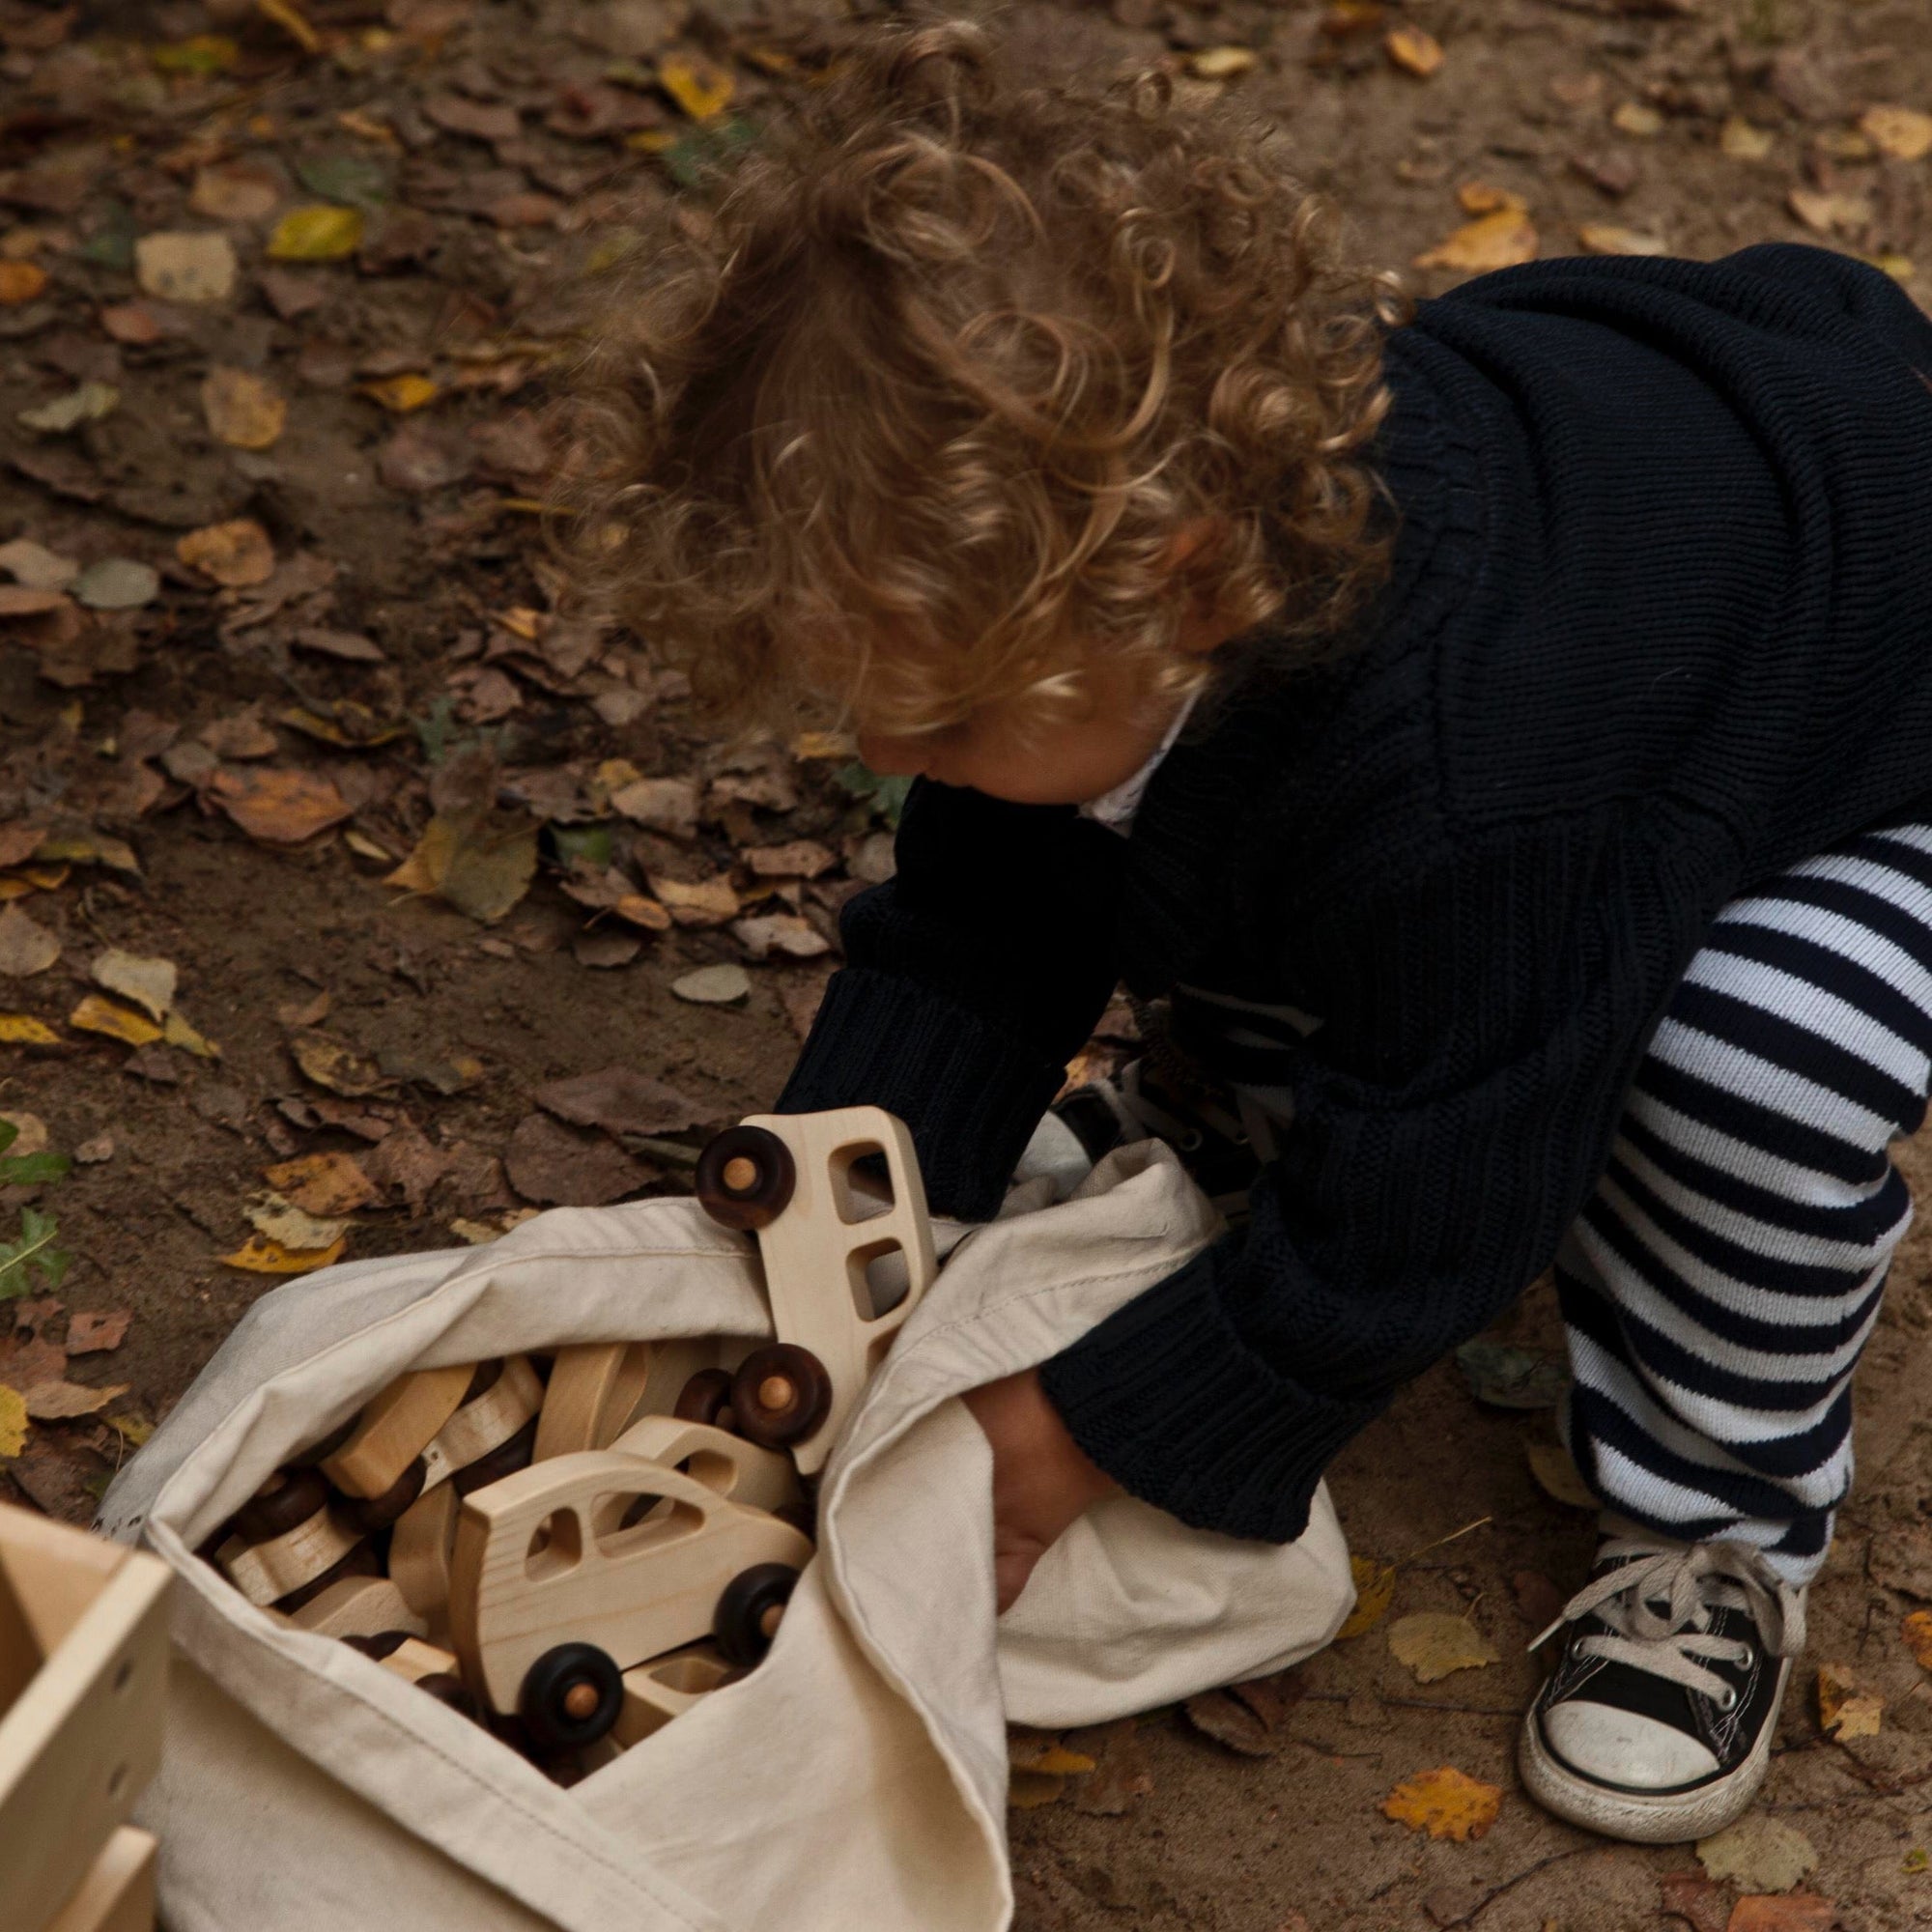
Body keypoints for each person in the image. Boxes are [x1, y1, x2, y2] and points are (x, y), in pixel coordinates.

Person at [562, 19, 1932, 1844]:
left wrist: (1057, 1445)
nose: (897, 758)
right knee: (1213, 839)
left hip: (1871, 746)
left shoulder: (1472, 773)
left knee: (1748, 1054)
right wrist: (844, 1195)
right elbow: (980, 928)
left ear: (1189, 577)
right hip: (1611, 662)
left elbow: (1438, 1203)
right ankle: (1253, 1107)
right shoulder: (1116, 600)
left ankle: (1718, 1528)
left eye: (946, 719)